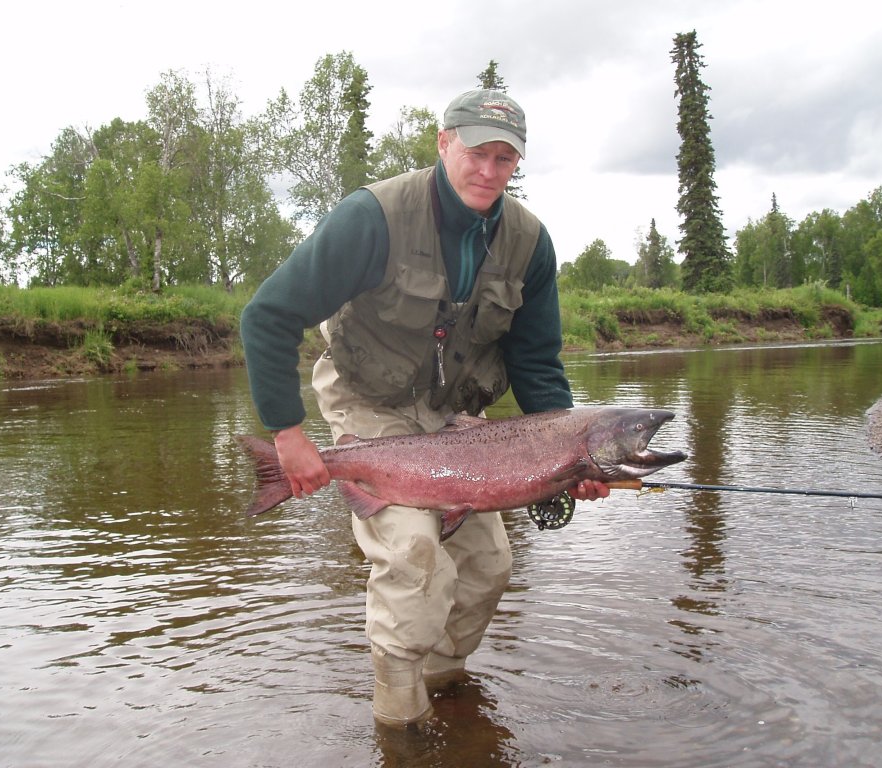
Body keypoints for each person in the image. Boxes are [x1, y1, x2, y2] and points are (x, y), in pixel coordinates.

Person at [240, 88, 610, 728]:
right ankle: (400, 723)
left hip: (457, 420)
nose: (489, 171)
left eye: (505, 158)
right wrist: (288, 433)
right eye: (476, 152)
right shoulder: (374, 217)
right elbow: (268, 316)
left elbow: (538, 362)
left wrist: (573, 452)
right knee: (414, 560)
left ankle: (445, 686)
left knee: (489, 569)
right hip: (369, 401)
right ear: (444, 143)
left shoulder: (529, 243)